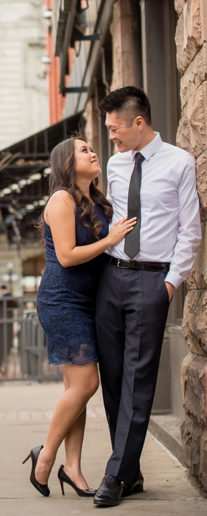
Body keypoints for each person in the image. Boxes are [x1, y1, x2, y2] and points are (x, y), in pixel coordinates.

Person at [93, 87, 201, 507]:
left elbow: (190, 230)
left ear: (139, 122)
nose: (111, 136)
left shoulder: (179, 162)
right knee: (115, 378)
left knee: (139, 381)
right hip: (112, 278)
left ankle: (115, 474)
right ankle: (132, 473)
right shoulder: (117, 165)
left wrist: (170, 284)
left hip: (152, 280)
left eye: (115, 128)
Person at [24, 137, 136, 499]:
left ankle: (72, 468)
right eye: (84, 150)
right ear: (68, 164)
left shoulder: (97, 202)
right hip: (62, 301)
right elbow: (69, 256)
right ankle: (46, 456)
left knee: (76, 390)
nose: (93, 152)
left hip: (91, 302)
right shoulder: (61, 200)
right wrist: (111, 238)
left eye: (92, 148)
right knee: (87, 384)